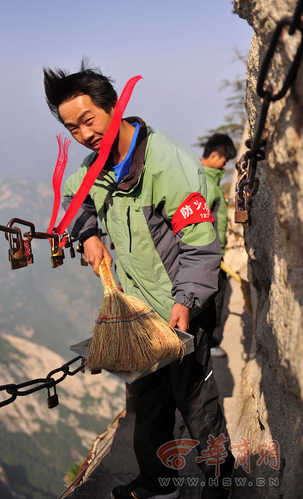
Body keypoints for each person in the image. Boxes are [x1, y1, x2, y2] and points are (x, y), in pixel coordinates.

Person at [43, 61, 235, 499]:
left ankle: (221, 481)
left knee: (196, 403)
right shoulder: (98, 167)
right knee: (148, 402)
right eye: (72, 128)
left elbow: (202, 245)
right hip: (139, 314)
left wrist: (186, 301)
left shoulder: (167, 162)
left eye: (88, 120)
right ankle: (157, 482)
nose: (83, 135)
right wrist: (88, 233)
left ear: (113, 107)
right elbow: (74, 197)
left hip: (182, 308)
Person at [201, 134, 237, 358]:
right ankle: (211, 342)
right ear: (214, 155)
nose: (225, 165)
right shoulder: (205, 183)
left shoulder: (207, 180)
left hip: (210, 253)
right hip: (211, 254)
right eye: (224, 160)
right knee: (215, 299)